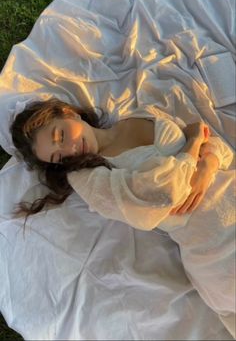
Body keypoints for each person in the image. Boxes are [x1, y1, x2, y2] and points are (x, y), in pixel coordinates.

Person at [10, 97, 235, 336]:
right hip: (214, 243)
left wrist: (208, 164)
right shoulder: (88, 179)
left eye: (61, 136)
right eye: (60, 158)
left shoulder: (143, 113)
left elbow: (214, 144)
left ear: (69, 113)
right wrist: (192, 146)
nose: (70, 150)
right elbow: (162, 195)